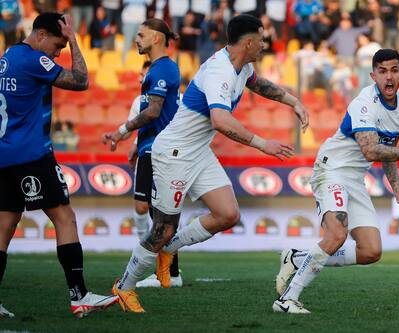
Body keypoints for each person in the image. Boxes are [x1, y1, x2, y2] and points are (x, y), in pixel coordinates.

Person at [111, 14, 309, 313]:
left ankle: (169, 250)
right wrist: (263, 144)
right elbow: (220, 121)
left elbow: (259, 84)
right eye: (262, 38)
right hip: (174, 153)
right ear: (249, 41)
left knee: (227, 214)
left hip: (198, 152)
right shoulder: (220, 71)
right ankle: (124, 287)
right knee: (162, 228)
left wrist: (293, 101)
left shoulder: (241, 66)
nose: (264, 44)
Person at [272, 49, 399, 314]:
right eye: (382, 71)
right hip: (331, 170)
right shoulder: (363, 103)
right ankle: (287, 299)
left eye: (394, 70)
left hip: (354, 179)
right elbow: (371, 151)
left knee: (371, 251)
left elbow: (388, 149)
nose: (389, 77)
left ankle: (296, 258)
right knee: (337, 235)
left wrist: (397, 188)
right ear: (373, 75)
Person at [0, 12, 118, 318]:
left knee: (4, 227)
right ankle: (80, 297)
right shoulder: (31, 60)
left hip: (4, 156)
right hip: (31, 155)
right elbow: (81, 80)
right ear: (40, 35)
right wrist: (77, 40)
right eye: (57, 45)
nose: (58, 52)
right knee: (65, 218)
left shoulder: (9, 55)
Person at [101, 18, 182, 309]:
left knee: (167, 222)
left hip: (161, 152)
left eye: (140, 35)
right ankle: (157, 272)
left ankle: (162, 272)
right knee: (162, 220)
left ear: (157, 38)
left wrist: (121, 132)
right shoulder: (158, 69)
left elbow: (153, 112)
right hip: (152, 149)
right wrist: (135, 145)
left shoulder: (163, 69)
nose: (135, 39)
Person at [118, 60, 183, 289]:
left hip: (166, 154)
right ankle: (148, 256)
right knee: (142, 206)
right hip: (146, 153)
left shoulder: (177, 98)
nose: (140, 77)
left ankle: (170, 272)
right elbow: (140, 125)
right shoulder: (140, 100)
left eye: (143, 73)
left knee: (163, 213)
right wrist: (133, 143)